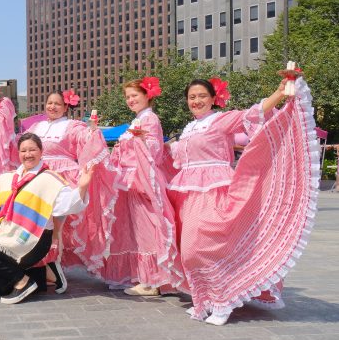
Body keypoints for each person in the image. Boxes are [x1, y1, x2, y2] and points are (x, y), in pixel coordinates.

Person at [168, 77, 319, 325]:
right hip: (188, 194)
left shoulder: (220, 119)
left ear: (213, 98)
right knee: (189, 252)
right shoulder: (188, 129)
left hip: (214, 190)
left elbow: (255, 113)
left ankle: (223, 301)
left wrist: (279, 93)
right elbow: (173, 155)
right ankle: (204, 300)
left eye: (202, 96)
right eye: (192, 97)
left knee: (204, 247)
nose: (196, 101)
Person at [0, 133, 93, 304]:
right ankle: (46, 273)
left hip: (35, 240)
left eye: (32, 150)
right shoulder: (9, 178)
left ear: (41, 151)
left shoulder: (49, 179)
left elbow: (67, 205)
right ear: (18, 153)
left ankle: (24, 282)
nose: (28, 154)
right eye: (23, 150)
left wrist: (82, 188)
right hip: (10, 234)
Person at [18, 91, 116, 290]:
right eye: (49, 103)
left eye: (57, 104)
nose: (52, 107)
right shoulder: (37, 126)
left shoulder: (73, 126)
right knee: (37, 226)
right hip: (38, 177)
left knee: (56, 228)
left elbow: (85, 142)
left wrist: (91, 132)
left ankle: (55, 267)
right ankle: (43, 268)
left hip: (62, 179)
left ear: (65, 107)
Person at [105, 77, 182, 295]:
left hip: (143, 179)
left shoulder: (149, 119)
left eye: (134, 95)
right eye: (128, 97)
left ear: (147, 96)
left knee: (148, 227)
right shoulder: (139, 119)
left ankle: (154, 281)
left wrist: (137, 142)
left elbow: (154, 152)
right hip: (132, 179)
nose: (130, 100)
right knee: (137, 229)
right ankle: (144, 276)